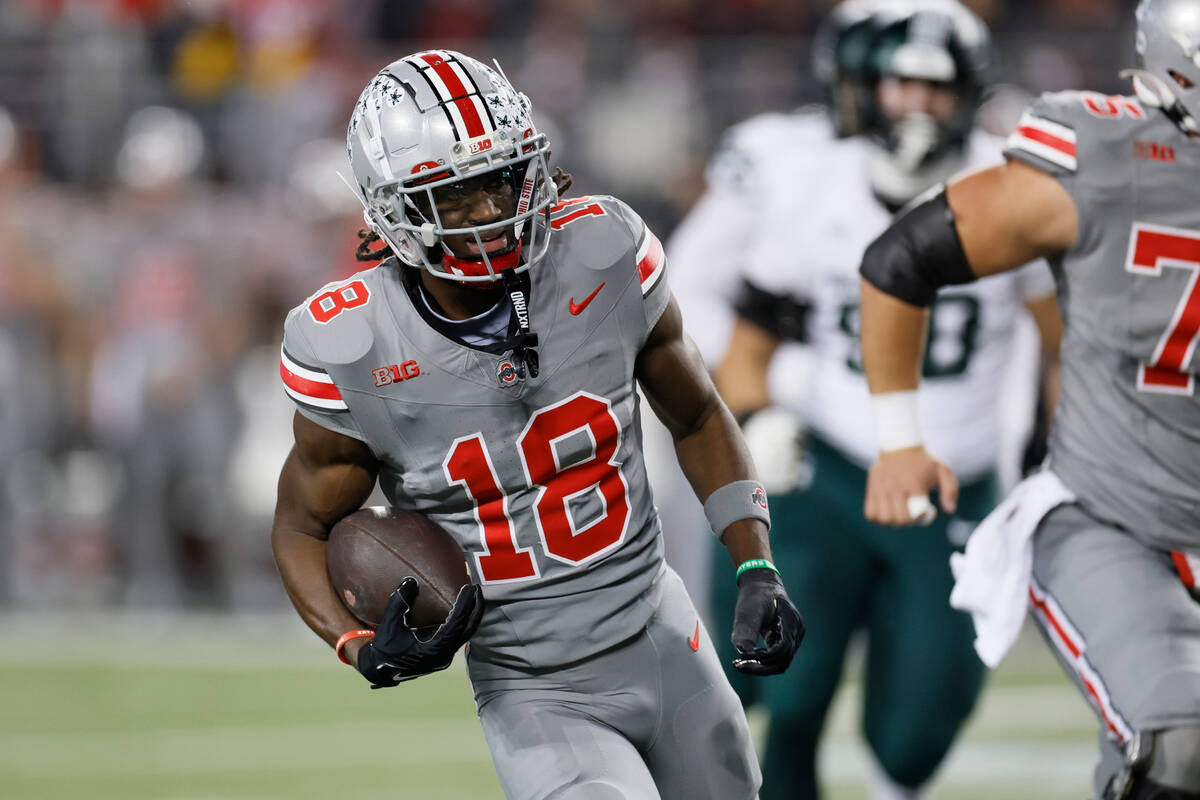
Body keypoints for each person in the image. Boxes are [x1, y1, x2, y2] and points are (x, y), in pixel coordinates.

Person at [269, 49, 803, 799]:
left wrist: (754, 562)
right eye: (453, 196)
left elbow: (698, 413)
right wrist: (356, 643)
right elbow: (301, 526)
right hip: (533, 687)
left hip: (658, 629)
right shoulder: (355, 342)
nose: (489, 212)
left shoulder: (600, 252)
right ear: (394, 209)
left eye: (497, 180)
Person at [669, 3, 1061, 799]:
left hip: (955, 479)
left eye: (938, 88)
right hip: (829, 471)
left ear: (972, 94)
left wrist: (1058, 456)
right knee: (789, 688)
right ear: (869, 89)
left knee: (914, 734)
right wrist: (764, 419)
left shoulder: (1013, 186)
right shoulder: (811, 182)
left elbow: (1067, 341)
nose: (917, 106)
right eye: (902, 85)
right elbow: (746, 353)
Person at [857, 1, 1200, 797]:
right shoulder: (1114, 157)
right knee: (1177, 749)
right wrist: (901, 439)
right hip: (1118, 519)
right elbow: (902, 259)